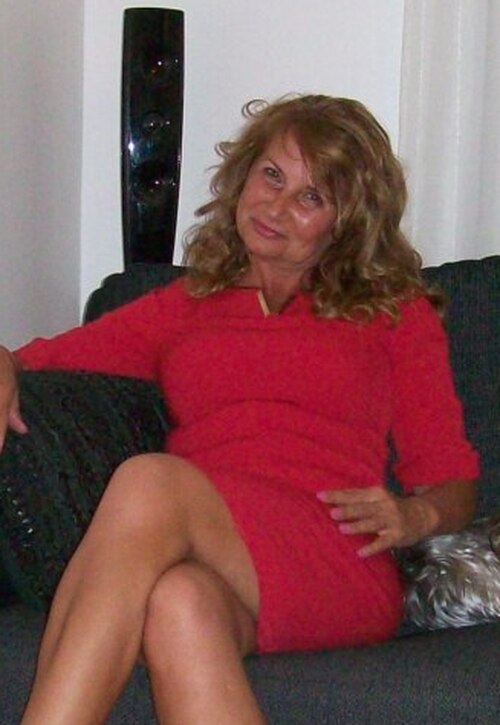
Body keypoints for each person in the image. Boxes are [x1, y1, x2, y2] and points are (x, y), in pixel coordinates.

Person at [0, 94, 478, 724]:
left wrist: (414, 514)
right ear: (243, 174)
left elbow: (452, 480)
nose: (276, 206)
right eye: (271, 175)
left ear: (346, 222)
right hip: (212, 550)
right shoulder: (187, 304)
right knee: (178, 603)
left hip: (332, 551)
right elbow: (40, 359)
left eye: (310, 197)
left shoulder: (395, 313)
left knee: (150, 481)